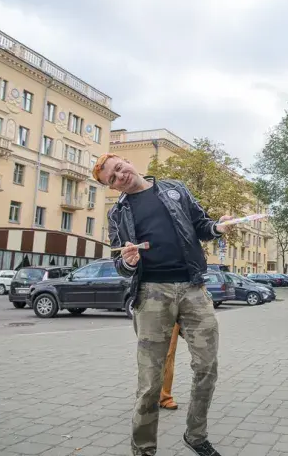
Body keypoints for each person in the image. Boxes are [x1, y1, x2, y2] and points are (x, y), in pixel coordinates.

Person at [93, 153, 234, 456]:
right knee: (150, 381)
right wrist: (129, 262)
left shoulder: (175, 189)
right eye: (112, 179)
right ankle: (143, 449)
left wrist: (218, 228)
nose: (120, 176)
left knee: (207, 367)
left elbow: (201, 225)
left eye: (119, 168)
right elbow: (119, 262)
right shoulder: (118, 214)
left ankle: (196, 435)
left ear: (128, 161)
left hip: (193, 288)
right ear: (111, 186)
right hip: (151, 293)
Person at [159, 323, 180, 410]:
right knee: (149, 355)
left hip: (174, 312)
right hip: (149, 312)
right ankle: (147, 395)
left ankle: (165, 397)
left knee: (169, 353)